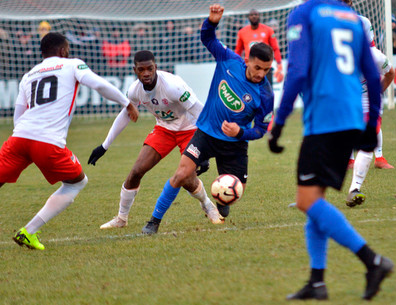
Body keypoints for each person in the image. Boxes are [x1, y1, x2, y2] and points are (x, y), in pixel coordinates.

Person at [268, 0, 393, 301]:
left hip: (325, 120)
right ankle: (317, 281)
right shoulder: (351, 17)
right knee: (315, 199)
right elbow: (372, 74)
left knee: (305, 200)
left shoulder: (303, 13)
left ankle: (372, 261)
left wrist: (280, 121)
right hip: (350, 116)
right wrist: (371, 119)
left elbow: (297, 71)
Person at [140, 4, 274, 235]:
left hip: (234, 145)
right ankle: (153, 221)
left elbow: (262, 129)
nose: (261, 74)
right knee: (181, 174)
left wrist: (240, 133)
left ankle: (221, 203)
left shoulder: (266, 94)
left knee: (233, 191)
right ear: (247, 60)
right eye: (257, 67)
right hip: (206, 133)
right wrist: (212, 22)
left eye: (266, 69)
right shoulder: (229, 61)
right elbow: (208, 39)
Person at [1, 32, 139, 250]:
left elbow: (18, 117)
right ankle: (29, 231)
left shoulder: (28, 75)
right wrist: (126, 103)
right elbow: (99, 85)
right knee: (77, 182)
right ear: (63, 51)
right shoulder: (72, 64)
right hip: (47, 141)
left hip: (19, 138)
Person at [88, 50, 223, 229]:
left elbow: (199, 111)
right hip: (164, 129)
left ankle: (207, 205)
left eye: (150, 69)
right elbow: (126, 115)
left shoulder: (173, 86)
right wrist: (104, 146)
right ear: (135, 70)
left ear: (155, 67)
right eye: (142, 69)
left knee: (187, 178)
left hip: (190, 128)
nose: (146, 73)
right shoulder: (135, 90)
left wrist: (204, 148)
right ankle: (121, 219)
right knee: (136, 171)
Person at [346, 47, 395, 207]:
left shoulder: (375, 55)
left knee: (368, 139)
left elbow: (390, 73)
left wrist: (377, 92)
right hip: (346, 103)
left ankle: (355, 187)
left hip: (366, 104)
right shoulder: (336, 51)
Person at [235, 8, 284, 85]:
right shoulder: (242, 32)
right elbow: (238, 51)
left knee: (267, 94)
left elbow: (275, 48)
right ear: (248, 17)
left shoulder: (268, 30)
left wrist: (279, 63)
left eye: (256, 14)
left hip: (265, 67)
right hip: (250, 68)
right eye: (252, 15)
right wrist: (235, 65)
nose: (254, 16)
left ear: (259, 16)